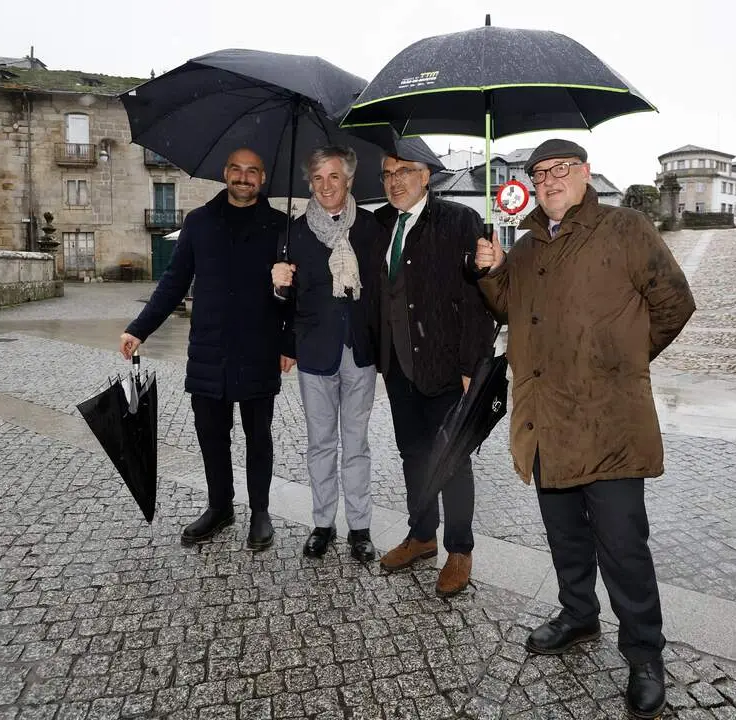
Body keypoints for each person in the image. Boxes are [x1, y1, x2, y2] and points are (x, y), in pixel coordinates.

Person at [473, 138, 696, 720]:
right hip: (547, 421)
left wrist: (622, 362)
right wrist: (492, 274)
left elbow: (675, 302)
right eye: (539, 173)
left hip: (610, 424)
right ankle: (578, 612)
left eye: (560, 170)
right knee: (565, 535)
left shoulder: (625, 228)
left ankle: (645, 655)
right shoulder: (523, 246)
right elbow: (511, 308)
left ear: (585, 173)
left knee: (623, 546)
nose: (549, 181)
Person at [120, 147, 290, 552]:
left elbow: (295, 298)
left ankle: (260, 512)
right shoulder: (198, 222)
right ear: (225, 173)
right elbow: (174, 282)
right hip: (209, 349)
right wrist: (138, 329)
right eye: (237, 169)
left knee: (258, 435)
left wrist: (285, 299)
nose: (244, 177)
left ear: (262, 178)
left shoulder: (281, 227)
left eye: (252, 171)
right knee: (211, 435)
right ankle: (220, 506)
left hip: (258, 347)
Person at [373, 151, 495, 597]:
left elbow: (477, 297)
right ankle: (422, 535)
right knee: (413, 455)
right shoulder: (381, 224)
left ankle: (459, 549)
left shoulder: (459, 220)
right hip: (398, 366)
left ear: (426, 176)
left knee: (453, 459)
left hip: (448, 367)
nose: (394, 181)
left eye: (404, 172)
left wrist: (473, 366)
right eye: (387, 174)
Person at [271, 146, 382, 562]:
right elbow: (287, 301)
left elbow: (384, 292)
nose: (325, 186)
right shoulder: (294, 233)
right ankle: (322, 524)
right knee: (320, 443)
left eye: (333, 176)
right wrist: (278, 285)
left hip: (359, 350)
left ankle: (360, 528)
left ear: (349, 180)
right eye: (317, 178)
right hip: (315, 354)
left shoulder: (371, 228)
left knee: (356, 444)